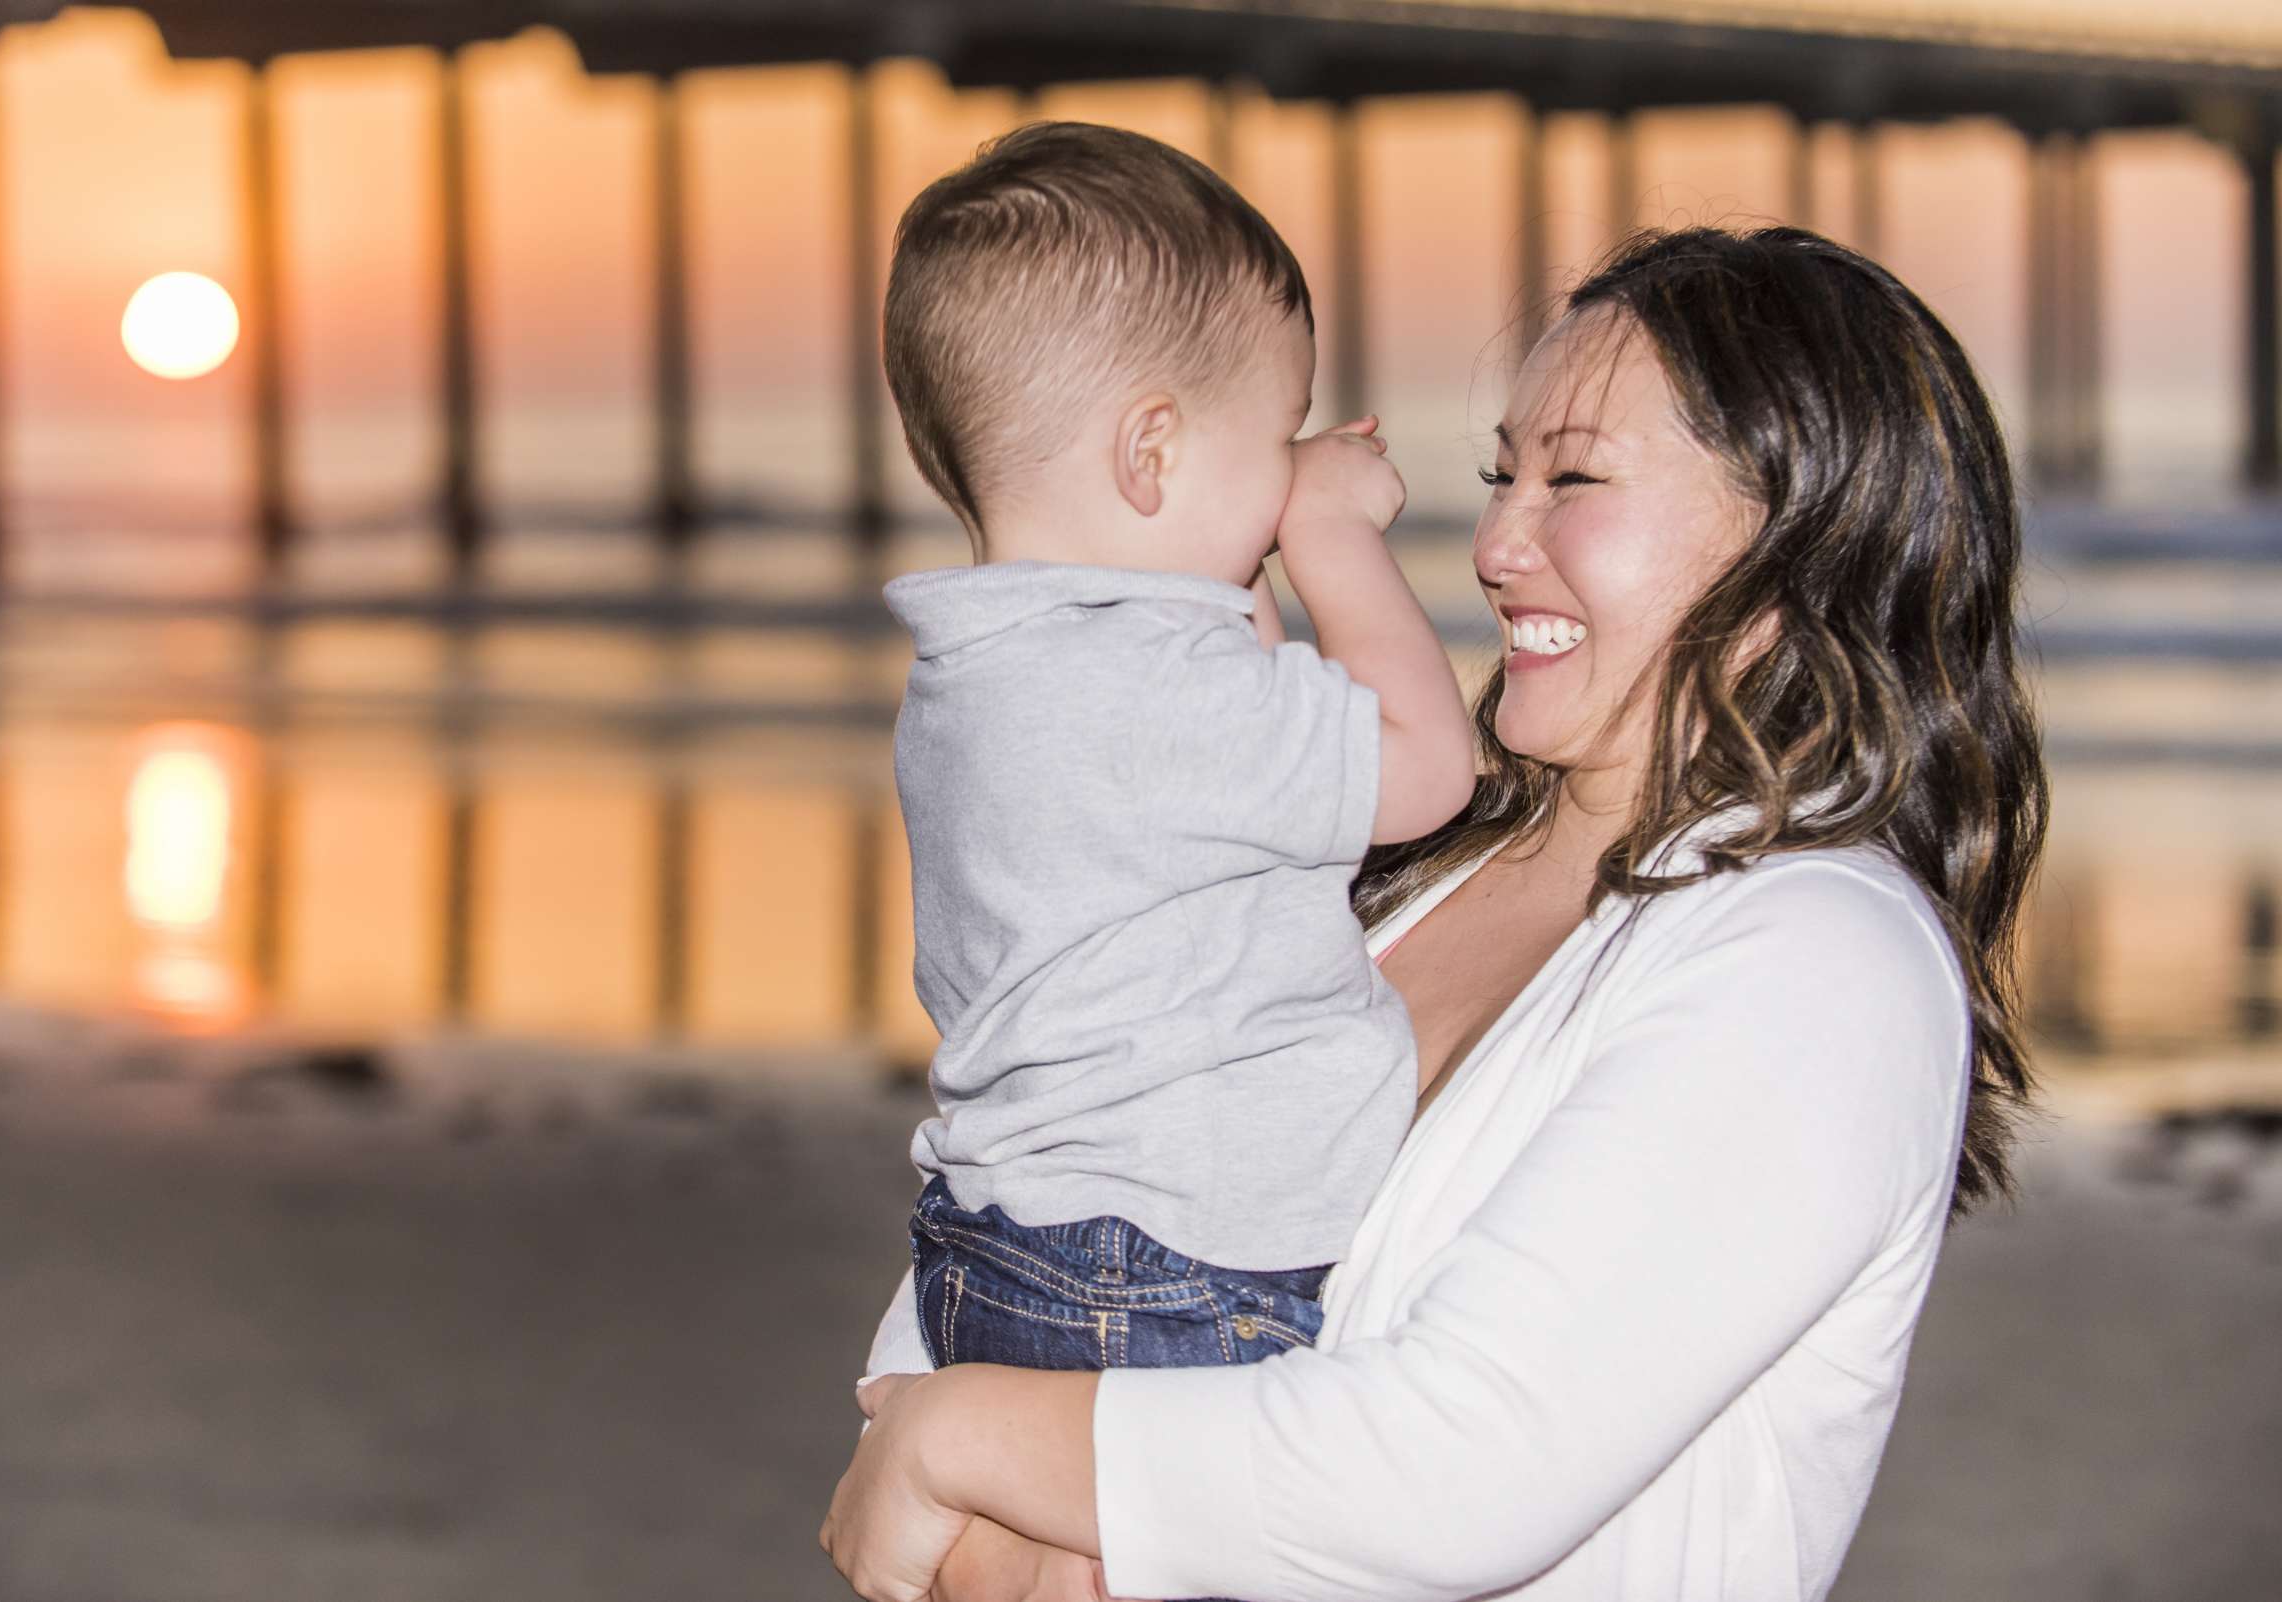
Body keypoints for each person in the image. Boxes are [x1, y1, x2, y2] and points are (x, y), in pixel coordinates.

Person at [827, 224, 2049, 1602]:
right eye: (1498, 474)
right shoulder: (1409, 872)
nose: (1493, 543)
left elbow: (1455, 1462)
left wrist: (962, 1443)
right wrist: (957, 1445)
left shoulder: (1823, 956)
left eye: (1573, 477)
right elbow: (1049, 1175)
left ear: (1804, 531)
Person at [875, 119, 1473, 1385]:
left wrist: (1255, 534)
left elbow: (1239, 698)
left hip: (995, 1254)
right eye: (1280, 436)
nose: (1291, 472)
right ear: (1152, 453)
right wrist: (1331, 539)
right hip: (1178, 1266)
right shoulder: (1158, 694)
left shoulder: (984, 681)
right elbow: (1427, 772)